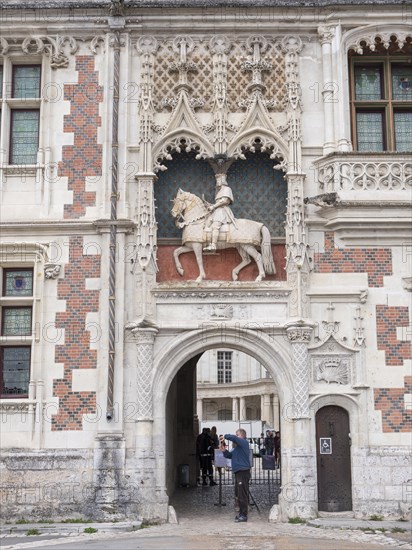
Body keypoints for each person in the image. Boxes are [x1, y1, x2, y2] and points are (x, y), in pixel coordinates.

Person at [220, 429, 251, 523]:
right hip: (238, 472)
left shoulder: (244, 442)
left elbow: (233, 438)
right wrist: (224, 451)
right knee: (239, 494)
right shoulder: (237, 448)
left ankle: (244, 515)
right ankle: (241, 514)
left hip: (243, 472)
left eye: (237, 435)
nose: (235, 436)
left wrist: (224, 436)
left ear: (241, 436)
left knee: (242, 494)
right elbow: (229, 455)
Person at [203, 173, 237, 252]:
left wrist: (213, 206)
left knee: (215, 225)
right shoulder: (220, 190)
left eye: (218, 180)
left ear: (223, 180)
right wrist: (210, 205)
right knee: (206, 224)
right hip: (217, 210)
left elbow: (224, 201)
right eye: (217, 180)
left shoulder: (227, 189)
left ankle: (213, 245)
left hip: (222, 211)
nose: (217, 181)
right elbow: (218, 202)